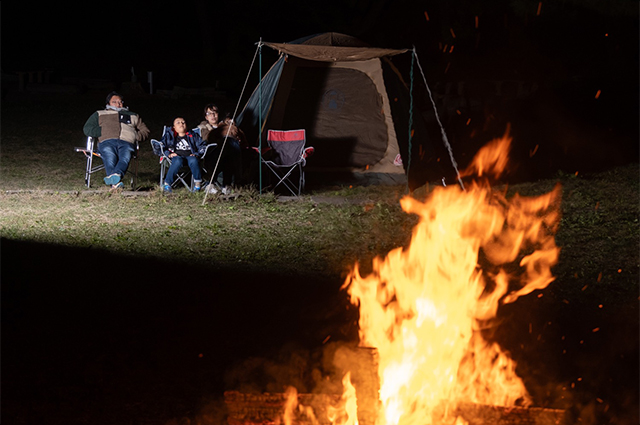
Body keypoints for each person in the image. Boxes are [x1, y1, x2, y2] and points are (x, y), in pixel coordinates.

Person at [83, 91, 150, 189]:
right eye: (114, 101)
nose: (118, 104)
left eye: (120, 101)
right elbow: (87, 128)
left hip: (127, 142)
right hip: (107, 141)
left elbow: (145, 130)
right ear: (108, 103)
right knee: (110, 157)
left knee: (125, 157)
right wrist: (102, 132)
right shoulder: (99, 114)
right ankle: (116, 181)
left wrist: (135, 135)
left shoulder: (133, 115)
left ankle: (115, 181)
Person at [160, 117, 207, 192]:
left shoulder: (193, 135)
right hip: (176, 157)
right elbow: (161, 146)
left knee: (194, 160)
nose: (181, 124)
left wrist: (197, 154)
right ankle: (167, 184)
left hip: (190, 156)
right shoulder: (169, 136)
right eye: (178, 123)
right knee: (178, 160)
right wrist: (168, 154)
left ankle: (198, 184)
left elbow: (202, 146)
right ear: (174, 127)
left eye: (183, 122)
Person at [205, 112, 246, 194]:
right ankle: (232, 184)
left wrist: (239, 140)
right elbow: (210, 139)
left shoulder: (238, 130)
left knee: (229, 157)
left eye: (232, 121)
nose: (230, 122)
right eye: (228, 120)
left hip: (230, 153)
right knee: (228, 143)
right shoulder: (218, 129)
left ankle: (212, 184)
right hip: (217, 151)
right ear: (223, 122)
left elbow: (245, 143)